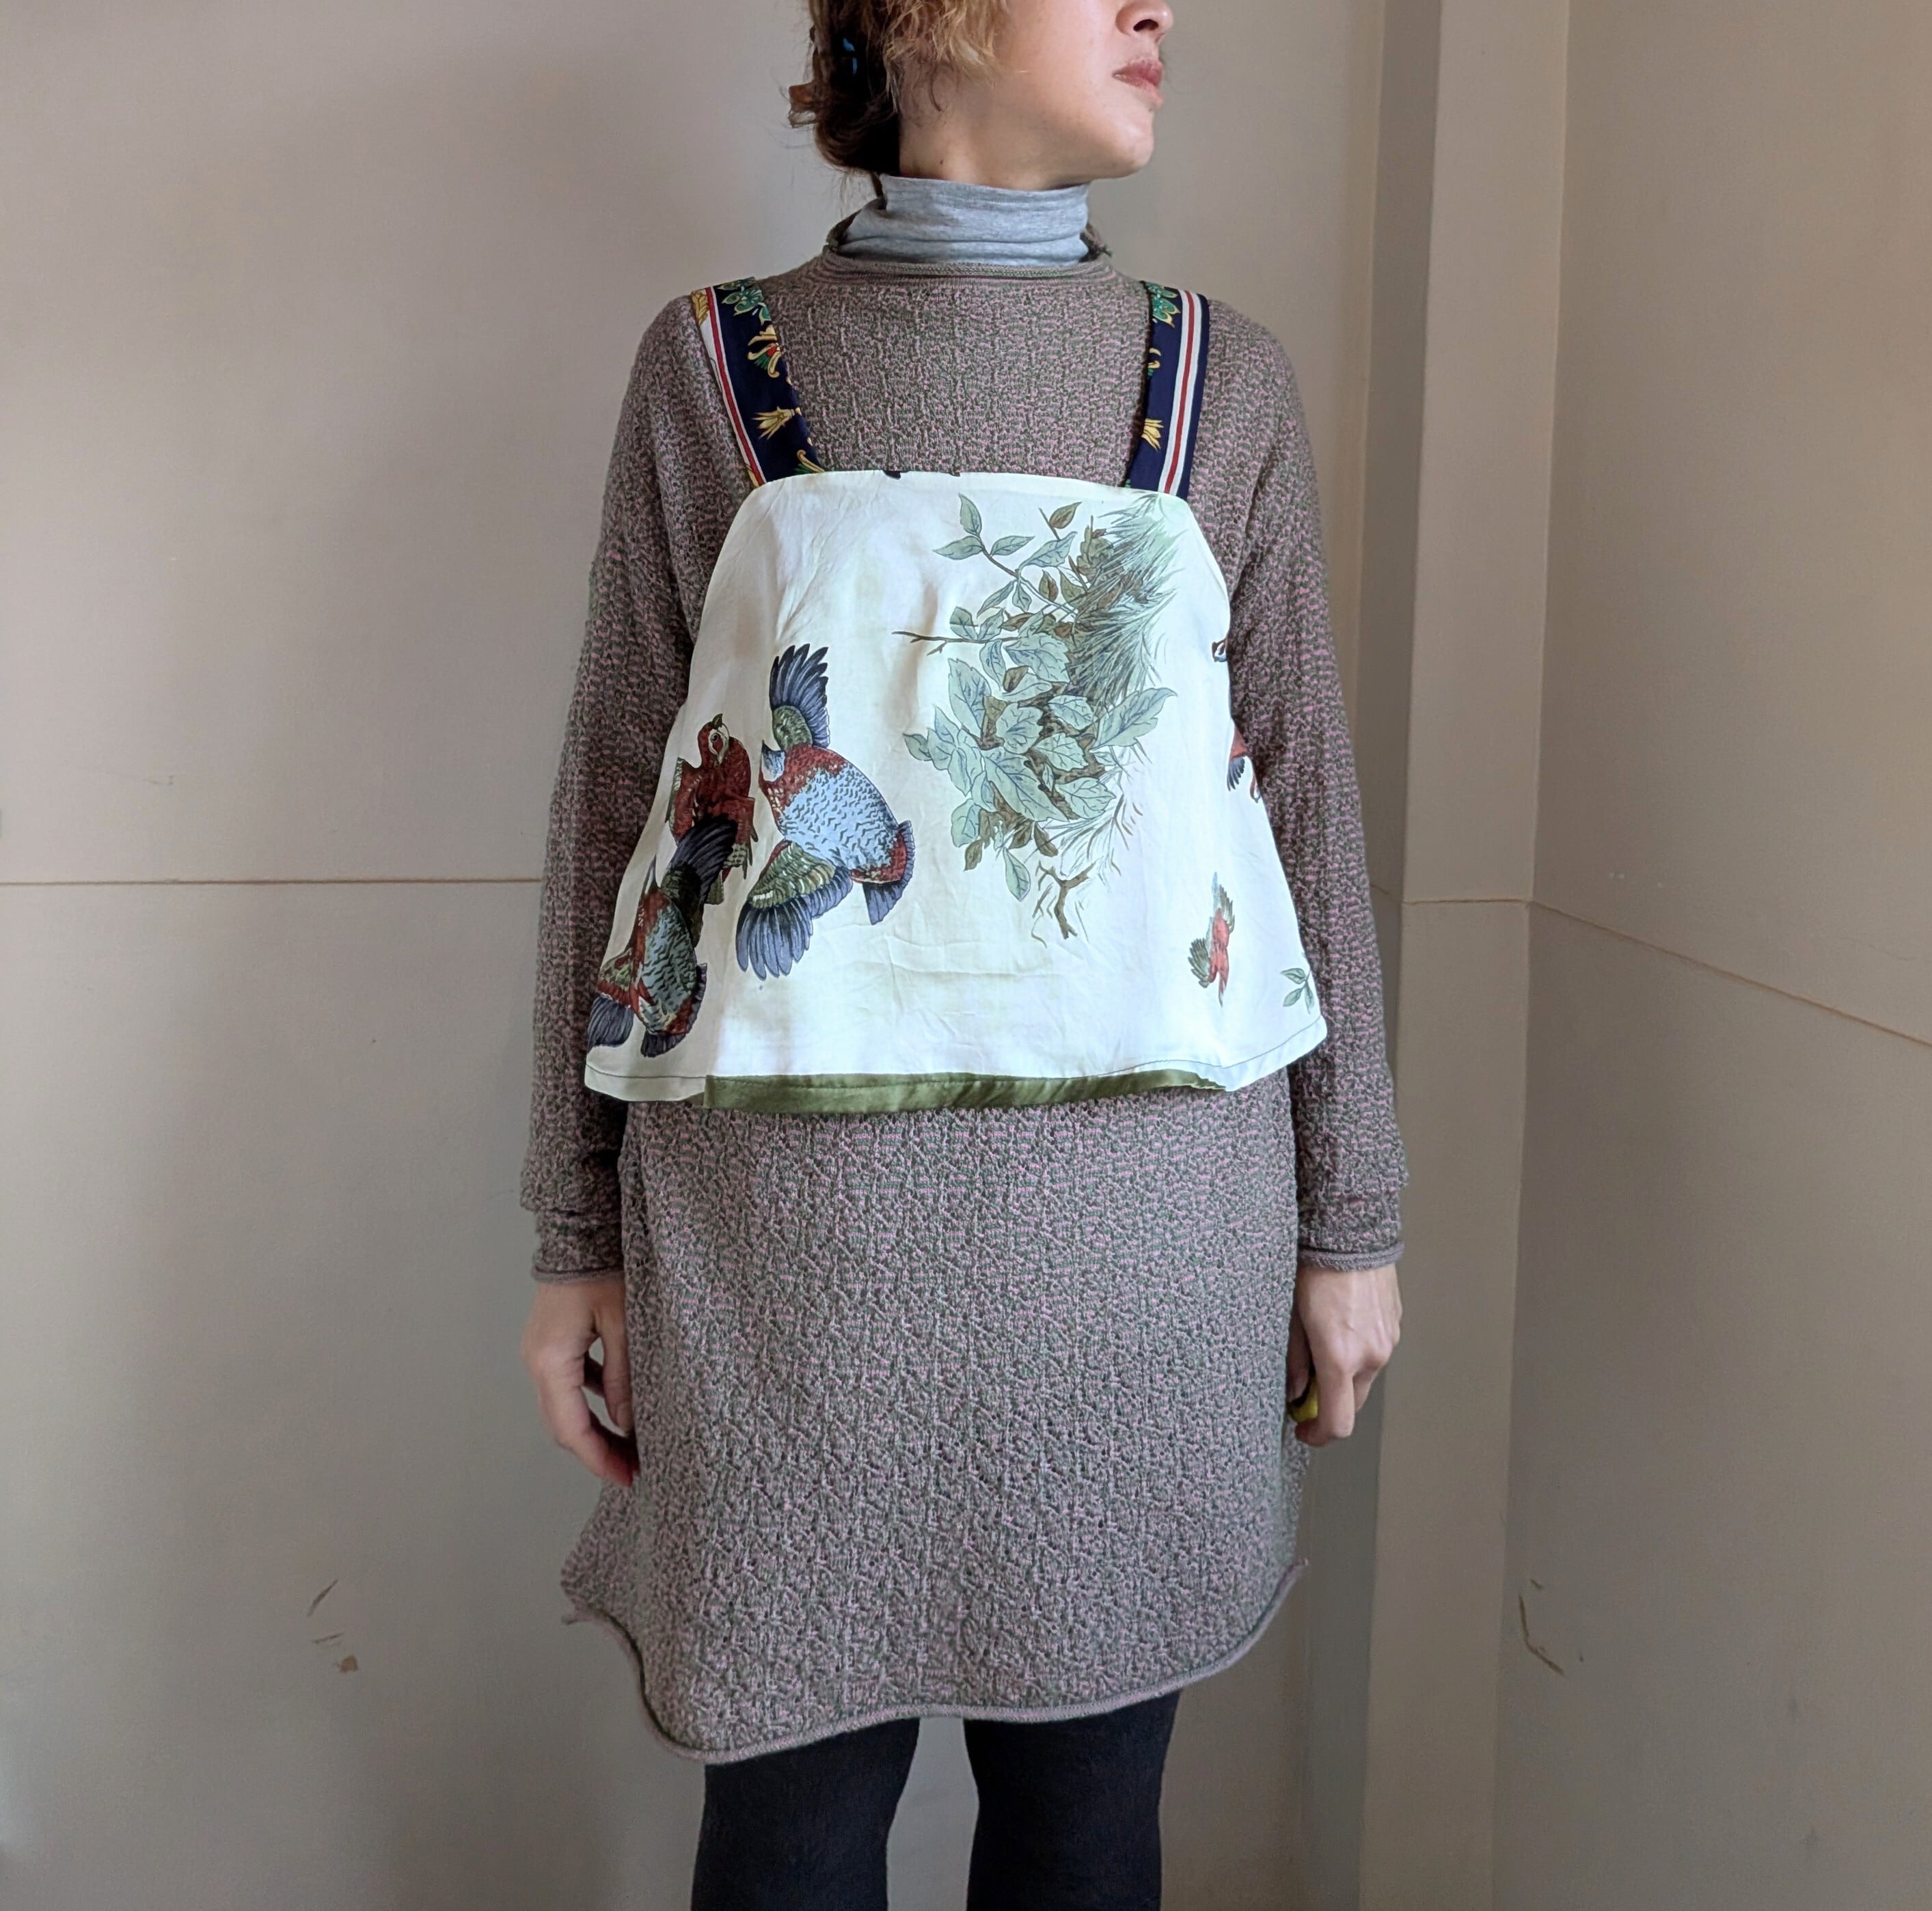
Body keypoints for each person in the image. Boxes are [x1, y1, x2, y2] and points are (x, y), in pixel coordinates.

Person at [518, 1, 1406, 1903]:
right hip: (780, 1266)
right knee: (785, 1840)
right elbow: (620, 811)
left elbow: (1302, 806)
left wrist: (1353, 1223)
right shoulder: (711, 369)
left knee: (1085, 1841)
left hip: (1144, 1251)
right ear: (920, 15)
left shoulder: (1219, 383)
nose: (1156, 10)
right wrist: (572, 1231)